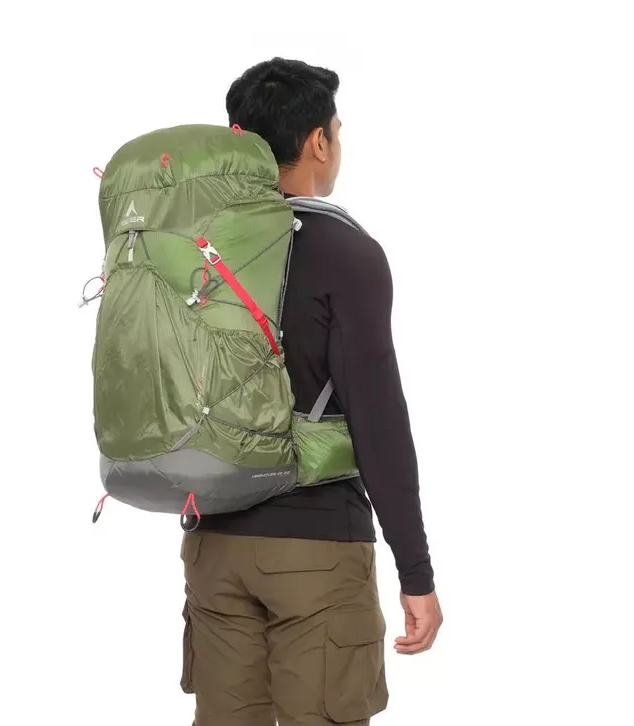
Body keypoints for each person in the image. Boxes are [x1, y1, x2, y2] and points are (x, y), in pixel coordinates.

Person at [179, 58, 442, 726]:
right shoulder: (346, 253)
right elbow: (378, 420)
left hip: (214, 548)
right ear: (318, 142)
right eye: (337, 131)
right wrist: (416, 572)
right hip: (316, 549)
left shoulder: (196, 247)